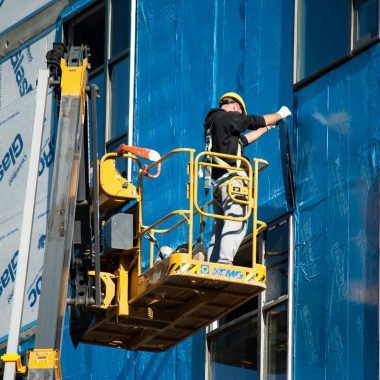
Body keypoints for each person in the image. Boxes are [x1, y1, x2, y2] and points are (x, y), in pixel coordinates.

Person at [204, 92, 291, 265]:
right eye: (239, 113)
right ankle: (224, 263)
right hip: (233, 182)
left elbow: (244, 140)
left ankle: (213, 267)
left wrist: (268, 128)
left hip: (220, 186)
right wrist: (280, 114)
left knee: (220, 227)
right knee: (237, 220)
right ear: (236, 107)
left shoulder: (216, 126)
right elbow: (252, 122)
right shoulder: (226, 118)